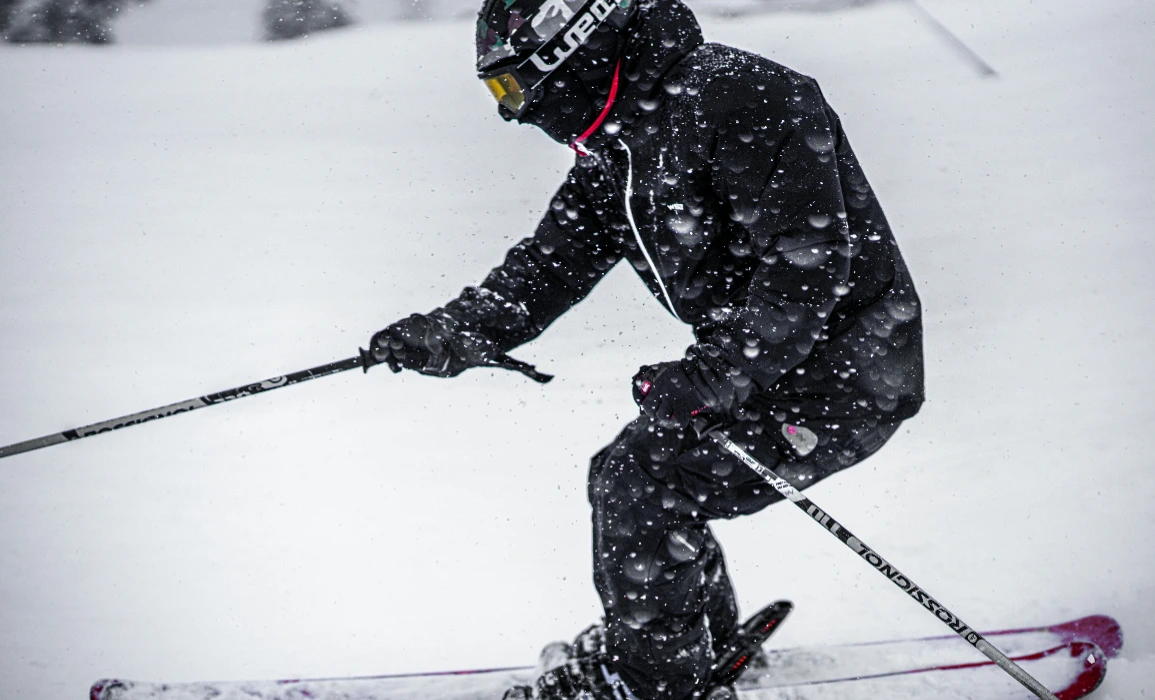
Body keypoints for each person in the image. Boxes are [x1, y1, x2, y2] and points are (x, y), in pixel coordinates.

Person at [366, 0, 924, 696]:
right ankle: (697, 652)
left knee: (643, 485)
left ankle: (652, 683)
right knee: (637, 476)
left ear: (567, 47)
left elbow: (806, 262)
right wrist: (454, 331)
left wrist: (715, 377)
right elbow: (549, 265)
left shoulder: (737, 95)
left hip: (847, 372)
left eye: (511, 87)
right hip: (770, 370)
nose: (512, 112)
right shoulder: (622, 148)